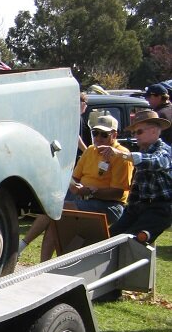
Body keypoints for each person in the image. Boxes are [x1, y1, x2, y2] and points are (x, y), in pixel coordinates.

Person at [20, 114, 133, 261]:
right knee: (54, 213)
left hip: (109, 205)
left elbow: (118, 194)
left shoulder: (122, 156)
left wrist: (91, 192)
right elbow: (75, 178)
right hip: (83, 198)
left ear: (114, 135)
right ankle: (43, 265)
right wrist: (75, 187)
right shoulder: (90, 150)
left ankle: (23, 245)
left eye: (104, 135)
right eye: (95, 133)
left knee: (57, 211)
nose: (98, 138)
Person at [99, 109, 172, 244]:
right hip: (140, 207)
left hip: (162, 208)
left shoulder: (165, 150)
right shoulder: (142, 152)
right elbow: (137, 189)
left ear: (154, 131)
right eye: (134, 132)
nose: (135, 136)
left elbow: (157, 161)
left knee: (131, 240)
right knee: (109, 237)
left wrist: (123, 155)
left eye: (139, 132)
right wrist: (129, 212)